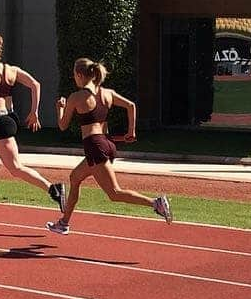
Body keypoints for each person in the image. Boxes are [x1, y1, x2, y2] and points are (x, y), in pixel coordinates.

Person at [47, 57, 171, 235]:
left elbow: (62, 125)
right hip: (106, 143)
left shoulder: (77, 97)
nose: (74, 78)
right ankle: (64, 222)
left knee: (114, 193)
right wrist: (131, 131)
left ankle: (155, 203)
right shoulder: (108, 93)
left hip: (95, 146)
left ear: (80, 75)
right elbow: (131, 106)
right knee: (75, 178)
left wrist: (59, 107)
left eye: (74, 75)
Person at [0, 33, 66, 211]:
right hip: (8, 119)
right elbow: (35, 85)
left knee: (15, 168)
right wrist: (34, 112)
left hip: (0, 123)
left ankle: (53, 189)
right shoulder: (11, 70)